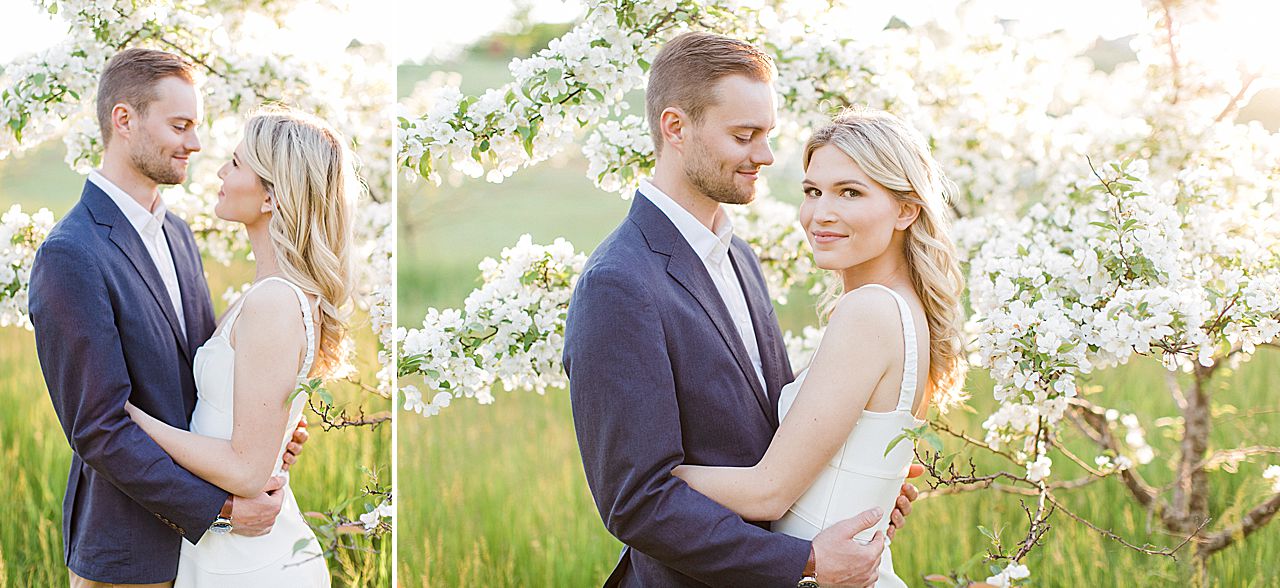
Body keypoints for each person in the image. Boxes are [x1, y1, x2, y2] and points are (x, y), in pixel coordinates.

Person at [563, 32, 919, 587]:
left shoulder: (739, 257)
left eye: (767, 135)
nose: (766, 155)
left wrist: (853, 481)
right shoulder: (619, 284)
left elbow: (770, 430)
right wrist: (804, 561)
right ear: (676, 128)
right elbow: (636, 502)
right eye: (745, 135)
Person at [30, 48, 308, 587]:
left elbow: (200, 376)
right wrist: (221, 507)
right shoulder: (71, 253)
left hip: (209, 555)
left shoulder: (178, 233)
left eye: (196, 127)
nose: (196, 144)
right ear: (124, 120)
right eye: (180, 126)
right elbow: (100, 428)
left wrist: (265, 431)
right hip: (128, 551)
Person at [672, 107, 967, 587]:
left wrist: (648, 480)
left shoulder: (869, 311)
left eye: (850, 192)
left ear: (906, 209)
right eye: (813, 191)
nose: (820, 213)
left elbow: (768, 492)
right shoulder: (903, 310)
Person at [123, 107, 354, 586]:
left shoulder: (274, 300)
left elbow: (248, 474)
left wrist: (135, 419)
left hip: (248, 561)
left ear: (270, 194)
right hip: (225, 546)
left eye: (235, 163)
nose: (220, 173)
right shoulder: (267, 292)